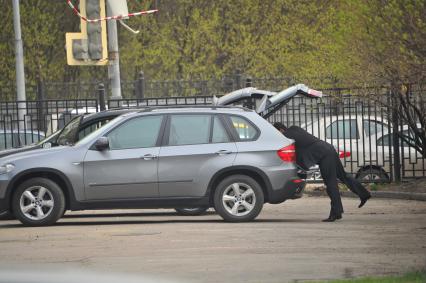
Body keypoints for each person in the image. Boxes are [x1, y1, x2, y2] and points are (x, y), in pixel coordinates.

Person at [273, 122, 371, 222]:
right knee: (343, 176)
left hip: (324, 155)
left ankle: (336, 213)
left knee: (331, 183)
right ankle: (364, 194)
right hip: (328, 149)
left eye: (277, 133)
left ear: (280, 130)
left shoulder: (286, 136)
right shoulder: (295, 128)